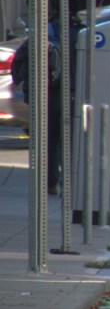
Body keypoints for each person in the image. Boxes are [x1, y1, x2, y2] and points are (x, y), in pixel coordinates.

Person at [11, 29, 63, 195]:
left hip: (48, 94)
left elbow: (18, 64)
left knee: (50, 139)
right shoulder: (79, 33)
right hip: (63, 93)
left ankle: (51, 182)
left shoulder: (43, 33)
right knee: (66, 140)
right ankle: (67, 184)